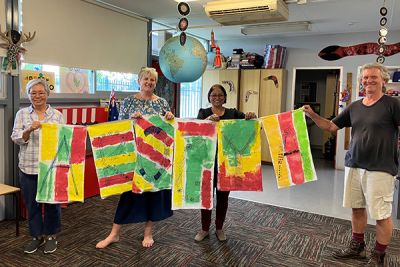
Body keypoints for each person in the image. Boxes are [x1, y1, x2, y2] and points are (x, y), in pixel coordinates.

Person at [303, 63, 400, 266]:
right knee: (356, 208)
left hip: (381, 168)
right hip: (354, 164)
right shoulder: (355, 106)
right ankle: (358, 247)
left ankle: (378, 255)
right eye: (365, 78)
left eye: (373, 77)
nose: (368, 81)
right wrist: (312, 114)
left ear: (383, 80)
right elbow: (330, 126)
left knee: (381, 215)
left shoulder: (393, 104)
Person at [96, 67, 174, 249]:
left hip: (155, 159)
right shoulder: (129, 102)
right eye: (146, 79)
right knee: (128, 195)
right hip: (134, 155)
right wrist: (132, 119)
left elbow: (167, 130)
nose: (149, 82)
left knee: (153, 195)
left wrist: (170, 117)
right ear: (139, 81)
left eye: (152, 80)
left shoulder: (162, 103)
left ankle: (148, 233)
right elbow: (119, 127)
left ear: (156, 83)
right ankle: (113, 234)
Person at [194, 84, 256, 242]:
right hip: (207, 162)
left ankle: (220, 228)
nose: (217, 98)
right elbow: (196, 131)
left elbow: (250, 124)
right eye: (213, 95)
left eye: (220, 95)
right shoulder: (204, 112)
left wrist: (250, 115)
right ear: (209, 97)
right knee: (206, 197)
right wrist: (208, 120)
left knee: (223, 198)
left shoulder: (233, 113)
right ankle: (204, 229)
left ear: (225, 97)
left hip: (227, 163)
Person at [11, 79, 64, 254]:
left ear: (47, 95)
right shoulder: (22, 114)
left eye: (41, 92)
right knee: (32, 204)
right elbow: (16, 138)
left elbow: (65, 139)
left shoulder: (56, 115)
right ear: (29, 95)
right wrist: (28, 130)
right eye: (33, 93)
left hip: (51, 167)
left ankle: (50, 236)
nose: (37, 96)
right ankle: (36, 236)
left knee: (51, 203)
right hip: (28, 166)